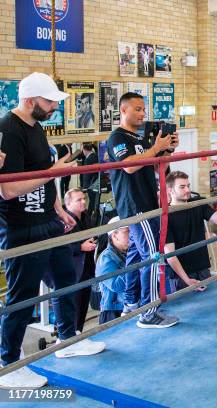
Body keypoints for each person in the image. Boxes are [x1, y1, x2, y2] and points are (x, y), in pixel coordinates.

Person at [0, 72, 105, 388]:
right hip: (21, 227)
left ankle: (68, 340)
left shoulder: (37, 129)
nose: (52, 109)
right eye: (48, 102)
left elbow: (48, 177)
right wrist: (52, 172)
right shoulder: (7, 131)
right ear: (30, 100)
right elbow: (8, 189)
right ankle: (8, 364)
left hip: (48, 222)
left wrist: (58, 209)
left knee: (66, 279)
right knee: (23, 296)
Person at [106, 91, 179, 329]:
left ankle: (131, 302)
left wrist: (166, 150)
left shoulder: (140, 139)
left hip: (146, 200)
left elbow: (159, 167)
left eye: (143, 109)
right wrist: (155, 147)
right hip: (136, 204)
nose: (142, 113)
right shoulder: (117, 137)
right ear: (123, 110)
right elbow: (128, 167)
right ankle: (148, 312)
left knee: (135, 255)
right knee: (152, 254)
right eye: (137, 109)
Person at [164, 171, 217, 291]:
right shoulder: (165, 216)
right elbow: (170, 255)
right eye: (182, 187)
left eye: (188, 186)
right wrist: (187, 281)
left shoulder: (198, 204)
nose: (187, 190)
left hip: (203, 268)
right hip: (181, 275)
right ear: (170, 190)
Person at [63, 189, 97, 333]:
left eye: (84, 198)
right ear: (68, 203)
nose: (84, 202)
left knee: (83, 304)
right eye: (79, 200)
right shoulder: (63, 221)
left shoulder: (85, 216)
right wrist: (80, 247)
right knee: (73, 305)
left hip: (87, 267)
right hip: (72, 270)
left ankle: (79, 334)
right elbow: (60, 247)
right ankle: (69, 336)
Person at [96, 216, 129, 324]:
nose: (132, 234)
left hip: (129, 305)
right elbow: (116, 286)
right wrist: (135, 265)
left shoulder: (129, 252)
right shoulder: (106, 258)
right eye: (127, 231)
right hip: (114, 311)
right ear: (114, 235)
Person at [80, 142, 99, 216]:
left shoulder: (89, 159)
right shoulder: (95, 156)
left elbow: (86, 175)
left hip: (91, 184)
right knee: (93, 201)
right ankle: (91, 214)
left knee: (93, 201)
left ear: (85, 149)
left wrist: (85, 187)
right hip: (95, 183)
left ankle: (92, 215)